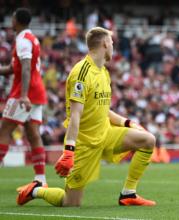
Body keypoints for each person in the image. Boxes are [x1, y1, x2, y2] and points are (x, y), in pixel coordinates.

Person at [16, 27, 156, 207]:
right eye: (112, 43)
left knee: (148, 140)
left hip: (105, 135)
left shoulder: (103, 71)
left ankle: (128, 194)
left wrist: (128, 123)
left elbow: (103, 109)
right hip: (85, 144)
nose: (113, 47)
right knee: (70, 203)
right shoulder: (81, 73)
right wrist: (69, 151)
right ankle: (36, 189)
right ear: (105, 43)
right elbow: (75, 115)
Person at [0, 8, 47, 185]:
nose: (11, 20)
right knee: (33, 133)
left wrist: (24, 95)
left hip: (24, 93)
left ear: (16, 21)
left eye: (12, 18)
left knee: (4, 130)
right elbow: (14, 69)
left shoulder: (23, 41)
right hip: (37, 92)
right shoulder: (30, 38)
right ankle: (41, 179)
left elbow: (26, 68)